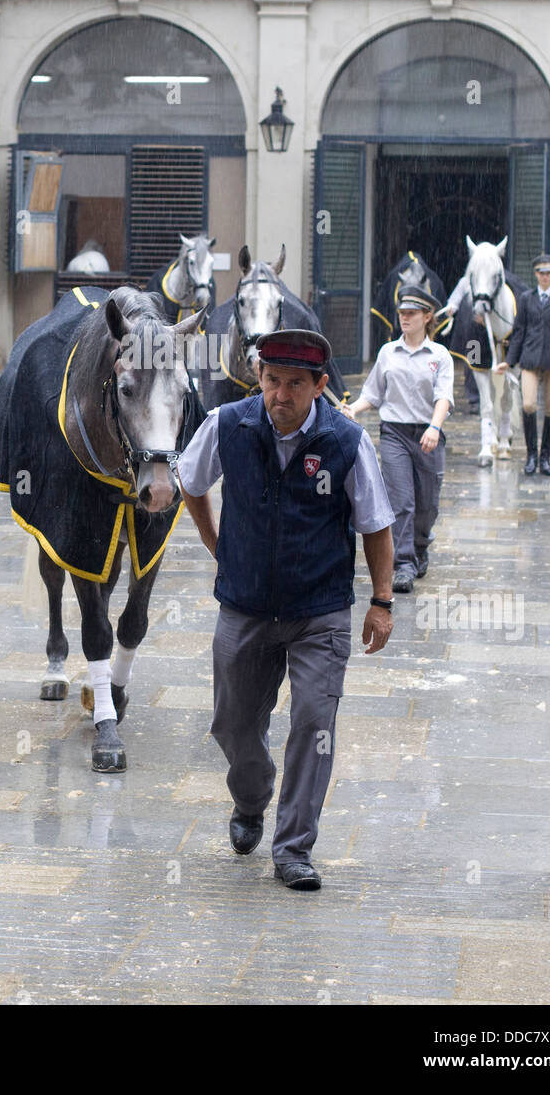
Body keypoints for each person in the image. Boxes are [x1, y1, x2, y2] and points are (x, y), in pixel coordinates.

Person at [177, 329, 395, 892]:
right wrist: (217, 544)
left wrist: (381, 602)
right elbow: (190, 481)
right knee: (232, 722)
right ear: (259, 378)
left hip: (318, 610)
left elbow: (375, 524)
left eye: (295, 384)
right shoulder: (229, 424)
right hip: (244, 606)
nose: (281, 395)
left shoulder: (346, 441)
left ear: (321, 386)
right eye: (272, 381)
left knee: (313, 723)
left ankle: (294, 849)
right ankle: (251, 797)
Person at [342, 285, 453, 595]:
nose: (404, 317)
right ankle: (403, 564)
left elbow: (444, 396)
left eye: (411, 313)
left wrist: (434, 426)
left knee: (427, 504)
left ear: (427, 317)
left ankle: (420, 545)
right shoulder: (388, 352)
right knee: (401, 500)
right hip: (394, 433)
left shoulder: (440, 356)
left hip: (429, 434)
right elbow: (374, 393)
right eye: (402, 313)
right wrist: (355, 408)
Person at [496, 254, 550, 476]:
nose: (545, 276)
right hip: (530, 359)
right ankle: (531, 454)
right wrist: (509, 360)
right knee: (529, 405)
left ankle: (545, 457)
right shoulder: (526, 298)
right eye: (541, 273)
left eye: (549, 272)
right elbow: (519, 331)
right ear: (535, 274)